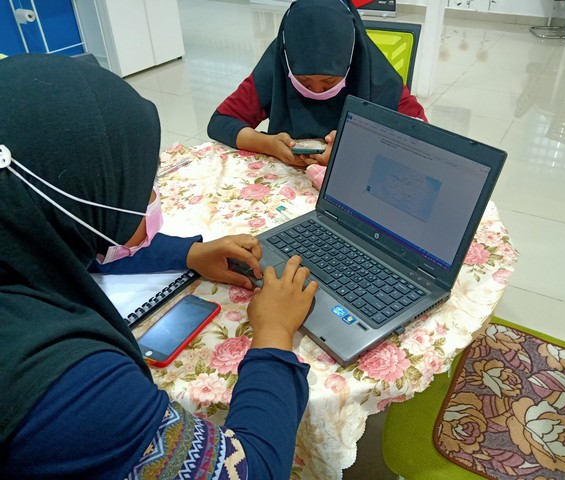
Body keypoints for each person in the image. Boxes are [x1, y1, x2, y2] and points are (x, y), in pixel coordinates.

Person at [0, 53, 318, 479]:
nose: (151, 198)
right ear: (81, 201)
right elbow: (250, 470)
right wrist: (274, 335)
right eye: (141, 184)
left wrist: (188, 254)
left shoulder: (18, 230)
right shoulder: (74, 389)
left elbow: (68, 246)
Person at [207, 0, 427, 168]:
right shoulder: (276, 67)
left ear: (351, 61)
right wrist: (268, 145)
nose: (317, 90)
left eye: (329, 82)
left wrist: (354, 149)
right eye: (304, 82)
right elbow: (220, 122)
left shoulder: (375, 75)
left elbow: (423, 140)